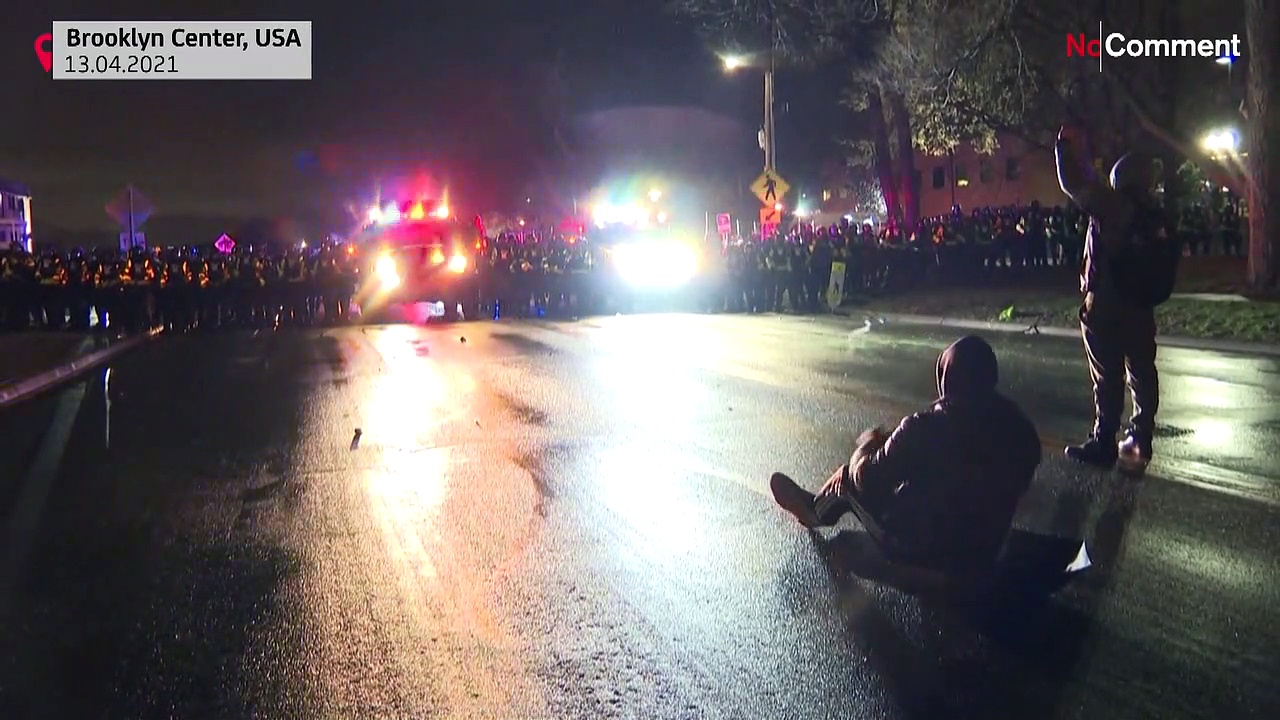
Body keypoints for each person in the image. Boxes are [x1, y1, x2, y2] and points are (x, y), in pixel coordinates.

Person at [771, 335, 1041, 574]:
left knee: (847, 480)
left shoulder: (924, 427)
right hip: (987, 547)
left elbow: (866, 478)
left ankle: (814, 511)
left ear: (946, 376)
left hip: (923, 548)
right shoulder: (1020, 427)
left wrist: (865, 447)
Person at [1054, 126, 1178, 469]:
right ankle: (1141, 435)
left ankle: (1104, 440)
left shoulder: (1113, 205)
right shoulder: (1155, 212)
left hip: (1107, 302)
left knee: (1107, 375)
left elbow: (1074, 185)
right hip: (1141, 302)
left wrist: (1064, 148)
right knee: (1142, 370)